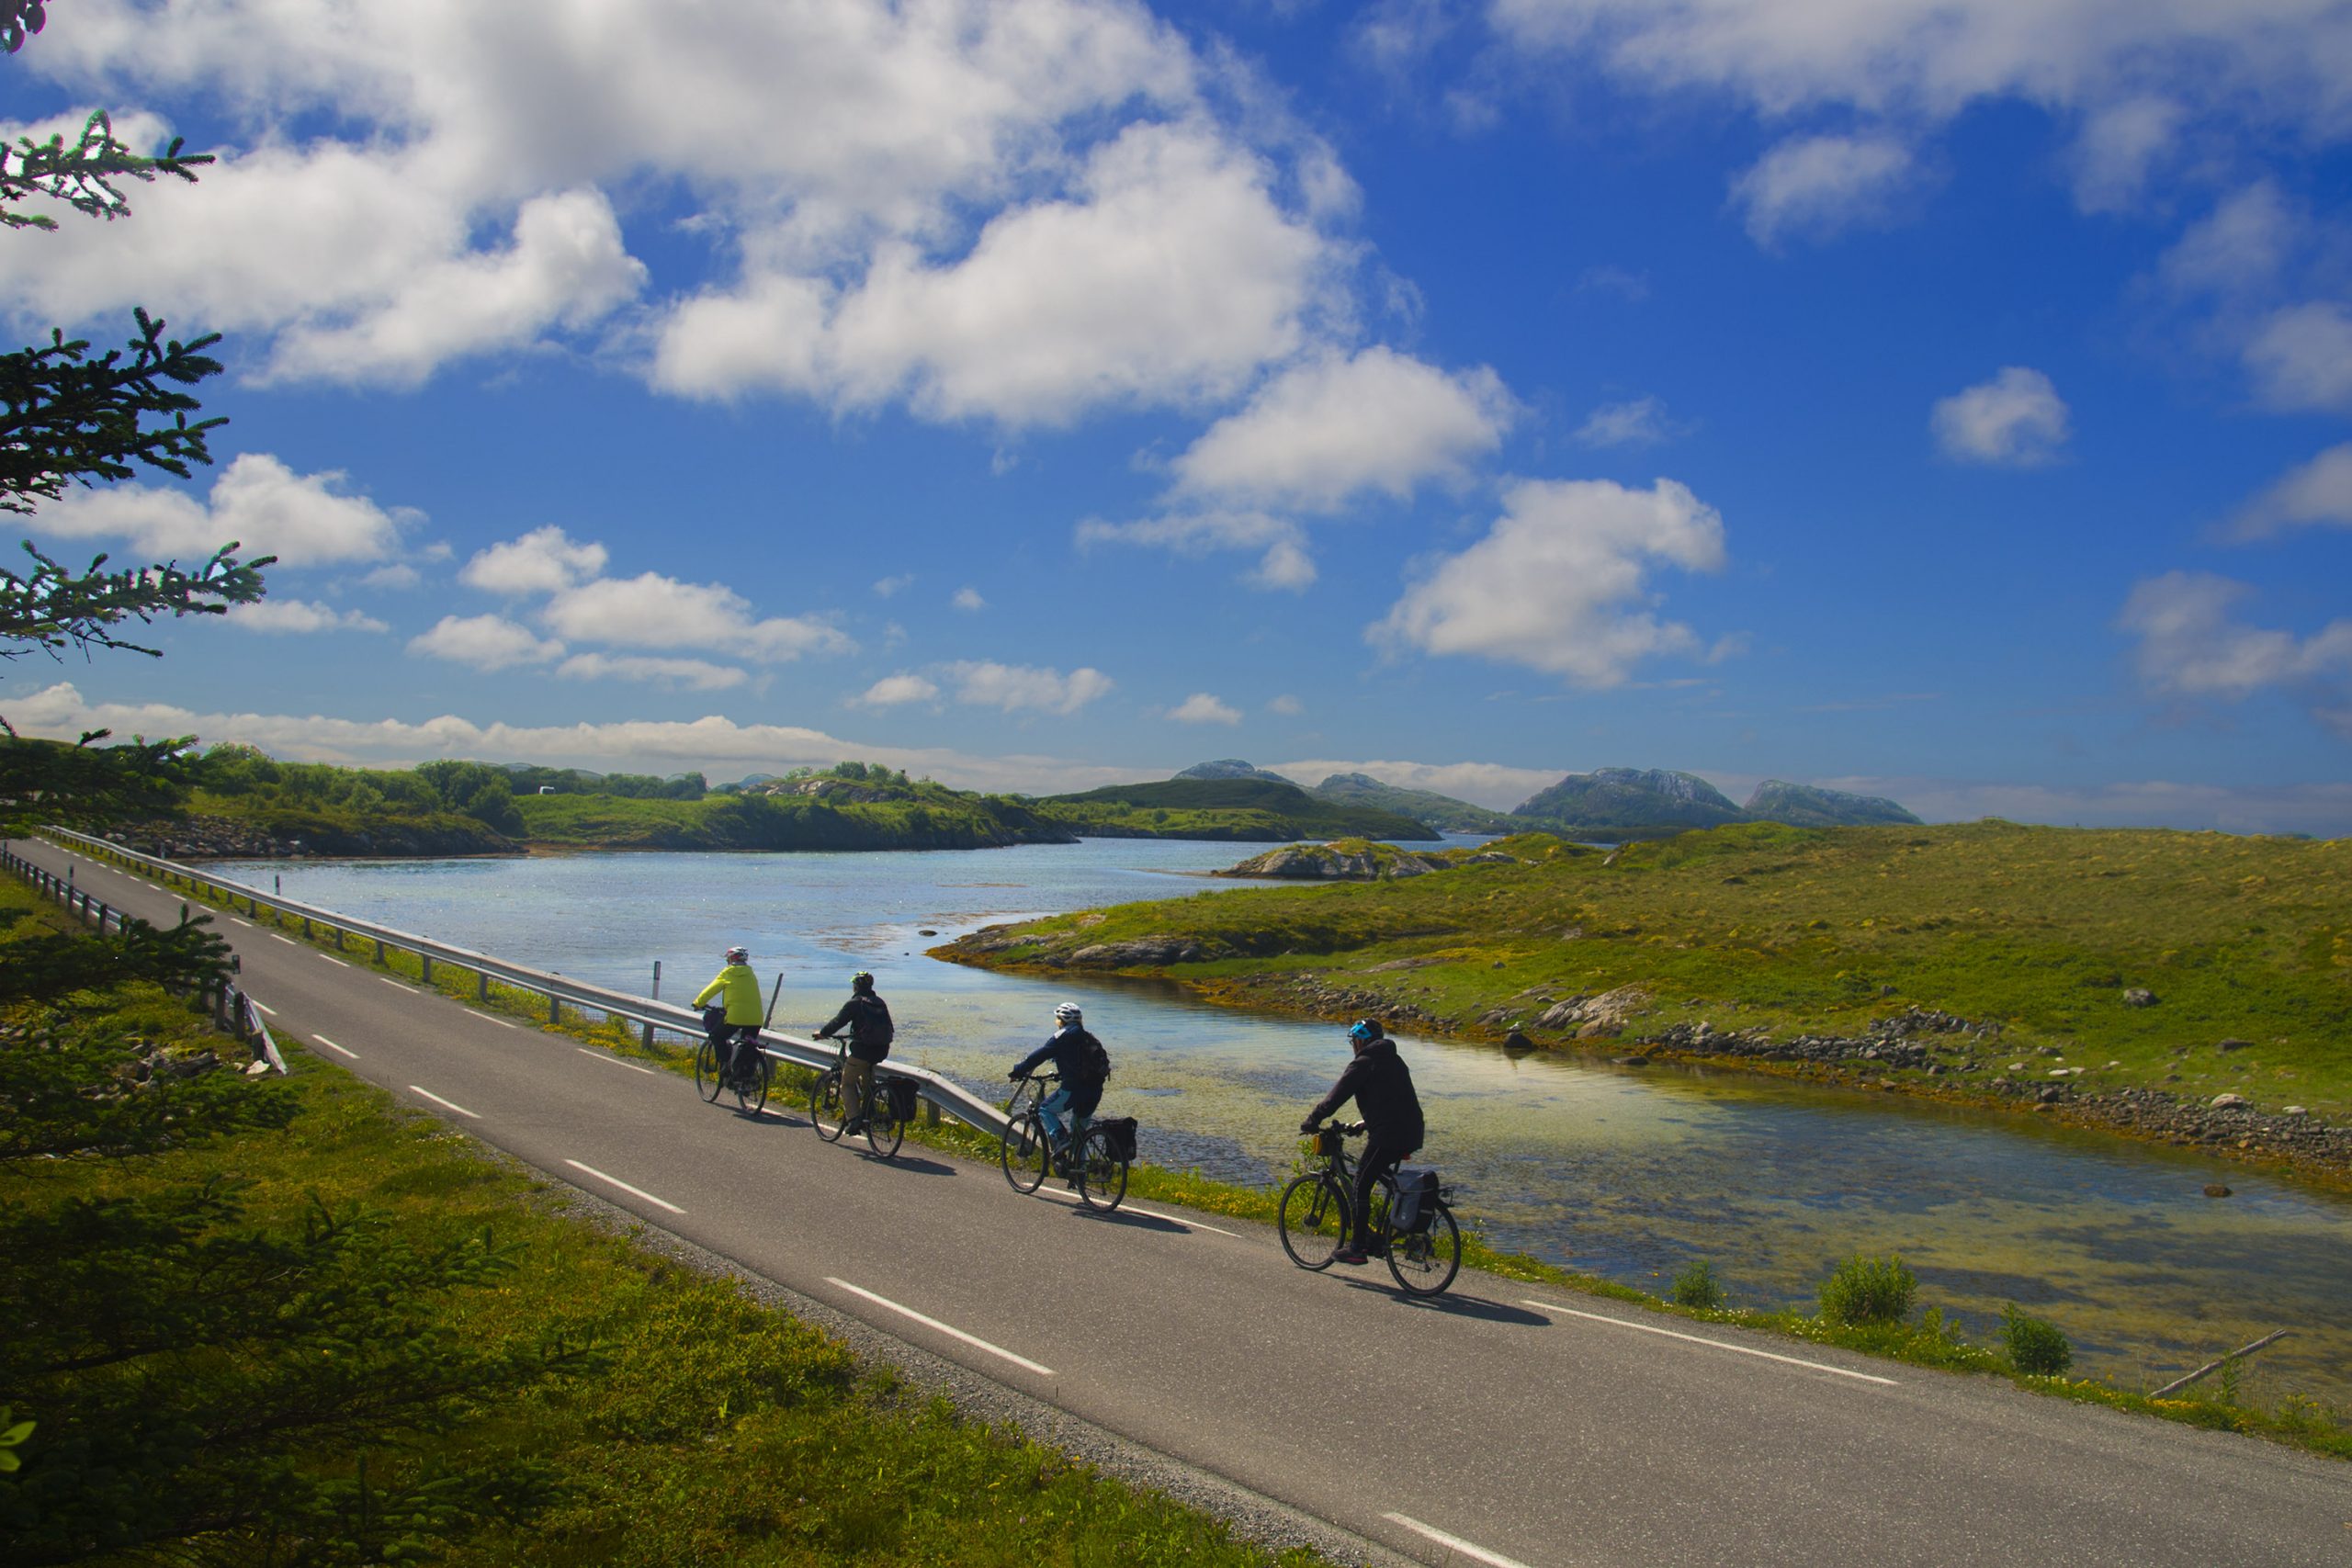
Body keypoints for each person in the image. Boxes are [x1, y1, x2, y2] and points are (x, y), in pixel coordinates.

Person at [1300, 1018, 1425, 1266]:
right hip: (1411, 1131)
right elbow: (1392, 1101)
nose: (1353, 1046)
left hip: (1389, 1135)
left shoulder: (1364, 1062)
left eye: (1354, 1041)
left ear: (1360, 1040)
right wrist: (1364, 1124)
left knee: (1360, 1184)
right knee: (1378, 1176)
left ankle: (1357, 1248)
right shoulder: (1394, 1060)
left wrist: (1313, 1119)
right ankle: (1391, 1233)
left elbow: (1337, 1096)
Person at [1009, 1000, 1109, 1172]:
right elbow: (1078, 1063)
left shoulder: (1062, 1036)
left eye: (1058, 1021)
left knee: (1045, 1109)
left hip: (1074, 1090)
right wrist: (1061, 1074)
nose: (1057, 1024)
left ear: (1061, 1021)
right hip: (1095, 1090)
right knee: (1079, 1130)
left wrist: (1018, 1070)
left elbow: (1038, 1056)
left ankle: (1061, 1140)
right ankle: (1080, 1173)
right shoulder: (1087, 1037)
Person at [814, 970, 895, 1134]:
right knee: (868, 1084)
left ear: (856, 987)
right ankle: (871, 1114)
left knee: (847, 1083)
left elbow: (837, 1022)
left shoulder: (855, 1003)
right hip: (881, 1050)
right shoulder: (879, 1002)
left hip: (862, 1051)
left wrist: (822, 1033)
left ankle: (854, 1120)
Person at [693, 945, 764, 1087]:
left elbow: (711, 990)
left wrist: (698, 1003)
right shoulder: (751, 974)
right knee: (748, 1045)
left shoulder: (728, 973)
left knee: (716, 1036)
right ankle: (745, 1076)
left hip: (735, 1017)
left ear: (730, 959)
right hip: (756, 1019)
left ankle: (726, 1066)